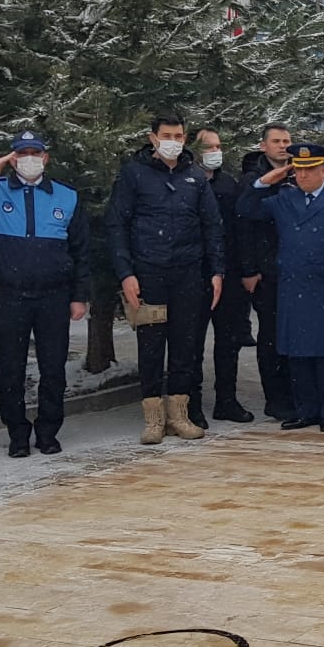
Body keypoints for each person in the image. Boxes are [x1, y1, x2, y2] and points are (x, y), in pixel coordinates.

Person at [0, 131, 90, 458]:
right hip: (9, 295)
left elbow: (81, 250)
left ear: (45, 157)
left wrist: (79, 295)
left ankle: (48, 432)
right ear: (12, 159)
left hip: (53, 295)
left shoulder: (66, 196)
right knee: (11, 368)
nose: (29, 159)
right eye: (22, 154)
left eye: (35, 153)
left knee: (53, 368)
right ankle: (17, 434)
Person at [108, 114, 223, 446]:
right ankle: (154, 419)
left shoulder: (195, 177)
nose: (174, 141)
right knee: (151, 346)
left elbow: (212, 226)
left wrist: (217, 270)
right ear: (153, 138)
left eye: (179, 136)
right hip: (148, 273)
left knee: (185, 346)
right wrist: (126, 273)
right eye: (167, 135)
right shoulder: (134, 174)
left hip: (188, 273)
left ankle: (179, 415)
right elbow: (117, 225)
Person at [237, 143, 324, 432]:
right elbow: (245, 209)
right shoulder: (285, 198)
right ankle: (306, 410)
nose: (303, 175)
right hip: (293, 286)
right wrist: (264, 181)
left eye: (310, 169)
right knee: (297, 353)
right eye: (299, 170)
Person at [190, 127, 254, 427]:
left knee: (229, 341)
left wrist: (244, 269)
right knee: (191, 343)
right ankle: (191, 404)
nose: (215, 151)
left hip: (228, 273)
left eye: (218, 146)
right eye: (208, 147)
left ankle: (226, 400)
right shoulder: (186, 181)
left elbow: (241, 228)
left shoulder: (229, 183)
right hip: (193, 272)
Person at [238, 123, 294, 422]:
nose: (283, 146)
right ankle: (276, 398)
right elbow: (244, 225)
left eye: (286, 140)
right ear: (264, 146)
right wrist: (249, 269)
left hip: (294, 268)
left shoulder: (298, 173)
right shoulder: (252, 179)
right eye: (276, 141)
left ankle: (295, 392)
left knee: (293, 333)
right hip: (266, 270)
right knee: (271, 336)